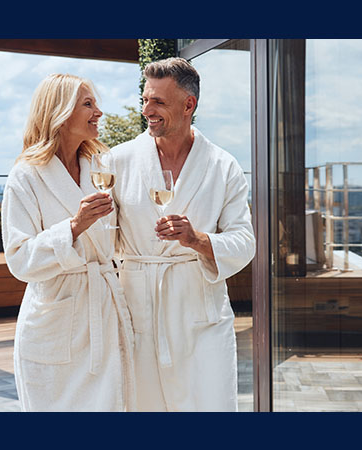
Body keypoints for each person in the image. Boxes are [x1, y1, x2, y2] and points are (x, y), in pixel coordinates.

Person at [111, 57, 256, 411]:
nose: (148, 110)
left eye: (158, 101)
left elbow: (244, 242)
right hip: (139, 309)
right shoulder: (119, 160)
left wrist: (196, 240)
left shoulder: (223, 166)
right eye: (145, 100)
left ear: (188, 104)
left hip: (199, 315)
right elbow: (101, 236)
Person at [1, 73, 135, 411]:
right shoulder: (26, 175)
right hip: (55, 316)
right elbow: (20, 260)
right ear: (60, 112)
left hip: (103, 309)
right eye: (88, 104)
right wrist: (74, 227)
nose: (99, 112)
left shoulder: (100, 167)